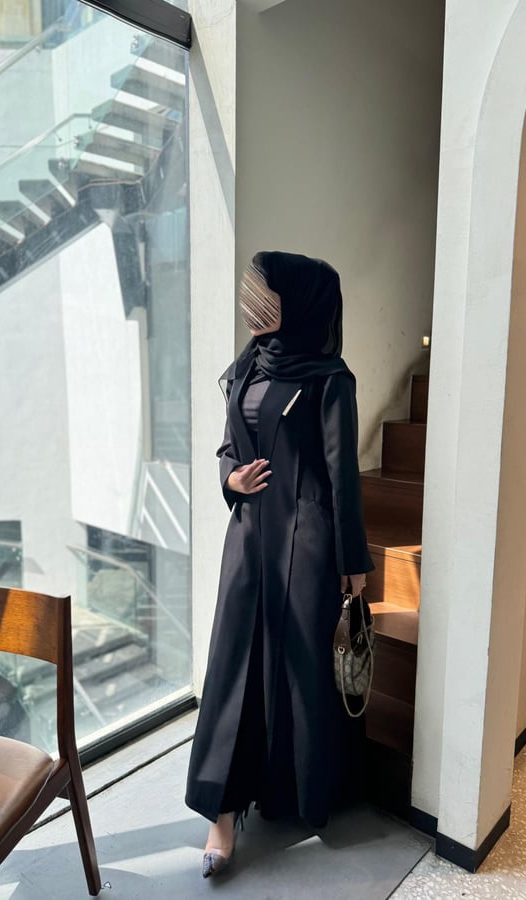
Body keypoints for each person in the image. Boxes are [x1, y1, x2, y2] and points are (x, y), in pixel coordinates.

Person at [185, 250, 374, 878]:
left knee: (299, 672)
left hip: (306, 542)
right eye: (249, 290)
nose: (250, 303)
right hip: (248, 540)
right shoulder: (249, 364)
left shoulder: (330, 379)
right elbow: (227, 446)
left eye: (263, 294)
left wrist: (353, 562)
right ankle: (221, 812)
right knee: (232, 667)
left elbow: (343, 477)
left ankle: (295, 791)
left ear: (297, 303)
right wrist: (230, 478)